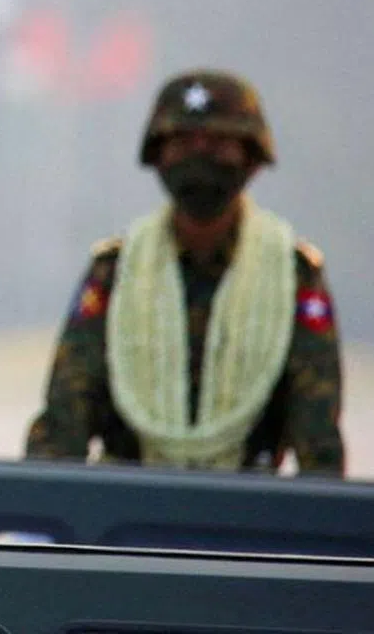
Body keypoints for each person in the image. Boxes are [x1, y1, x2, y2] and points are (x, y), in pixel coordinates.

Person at [25, 69, 344, 475]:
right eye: (184, 144)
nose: (200, 157)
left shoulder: (292, 277)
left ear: (251, 158)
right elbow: (64, 421)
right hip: (122, 515)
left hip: (249, 514)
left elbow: (318, 438)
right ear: (158, 156)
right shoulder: (117, 272)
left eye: (218, 145)